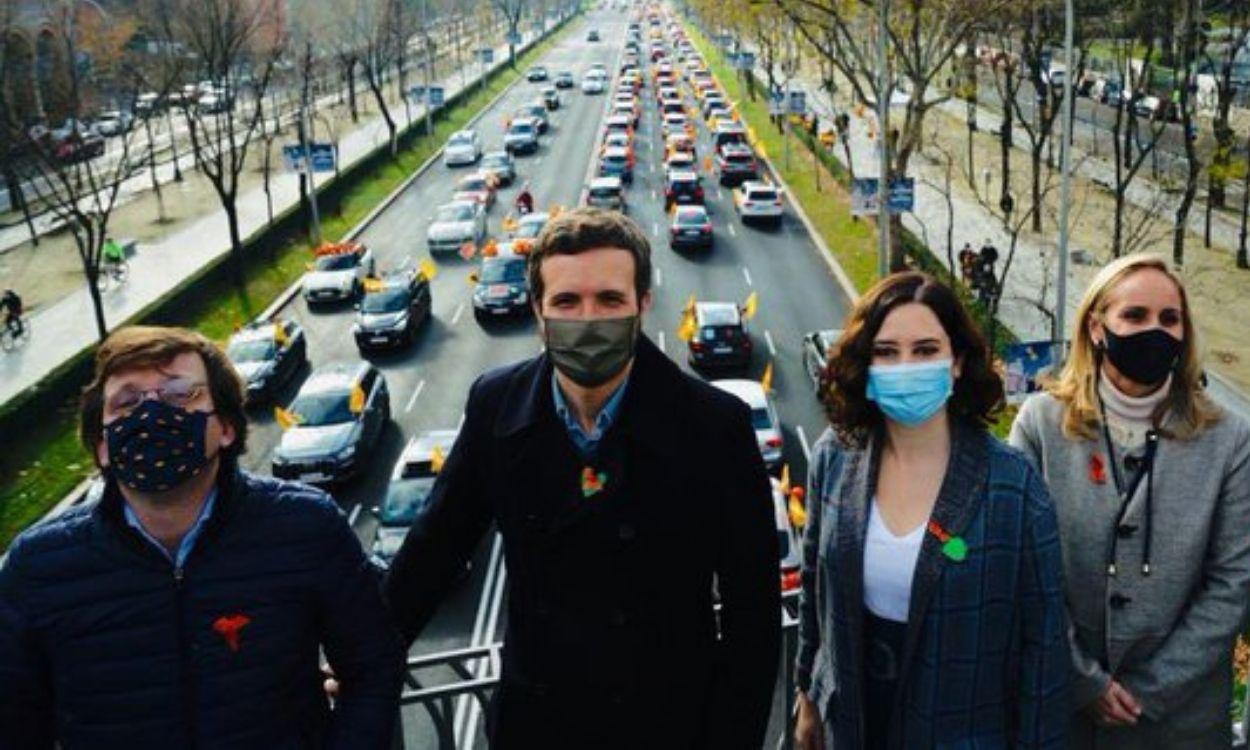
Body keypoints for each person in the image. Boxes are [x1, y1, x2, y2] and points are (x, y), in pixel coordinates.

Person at [385, 207, 780, 747]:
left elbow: (751, 615)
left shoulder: (715, 427)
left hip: (666, 727)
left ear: (643, 303)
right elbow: (436, 547)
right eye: (567, 302)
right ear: (539, 312)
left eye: (610, 300)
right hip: (538, 724)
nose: (589, 320)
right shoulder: (496, 406)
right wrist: (364, 655)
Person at [0, 326, 404, 748]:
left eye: (180, 395)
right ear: (102, 446)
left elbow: (374, 666)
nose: (151, 414)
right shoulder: (37, 568)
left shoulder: (306, 527)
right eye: (127, 402)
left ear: (226, 427)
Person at [794, 272, 1069, 749]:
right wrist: (807, 695)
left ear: (957, 362)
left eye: (925, 351)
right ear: (866, 363)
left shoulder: (1014, 485)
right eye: (886, 352)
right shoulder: (834, 456)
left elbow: (1043, 647)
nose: (905, 366)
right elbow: (814, 590)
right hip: (852, 724)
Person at [1009, 254, 1250, 748]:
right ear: (1097, 328)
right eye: (1134, 316)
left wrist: (1149, 692)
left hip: (1181, 724)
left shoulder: (1230, 439)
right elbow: (1024, 569)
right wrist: (1083, 680)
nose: (1154, 331)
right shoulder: (1039, 425)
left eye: (1169, 319)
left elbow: (1233, 583)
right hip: (1062, 713)